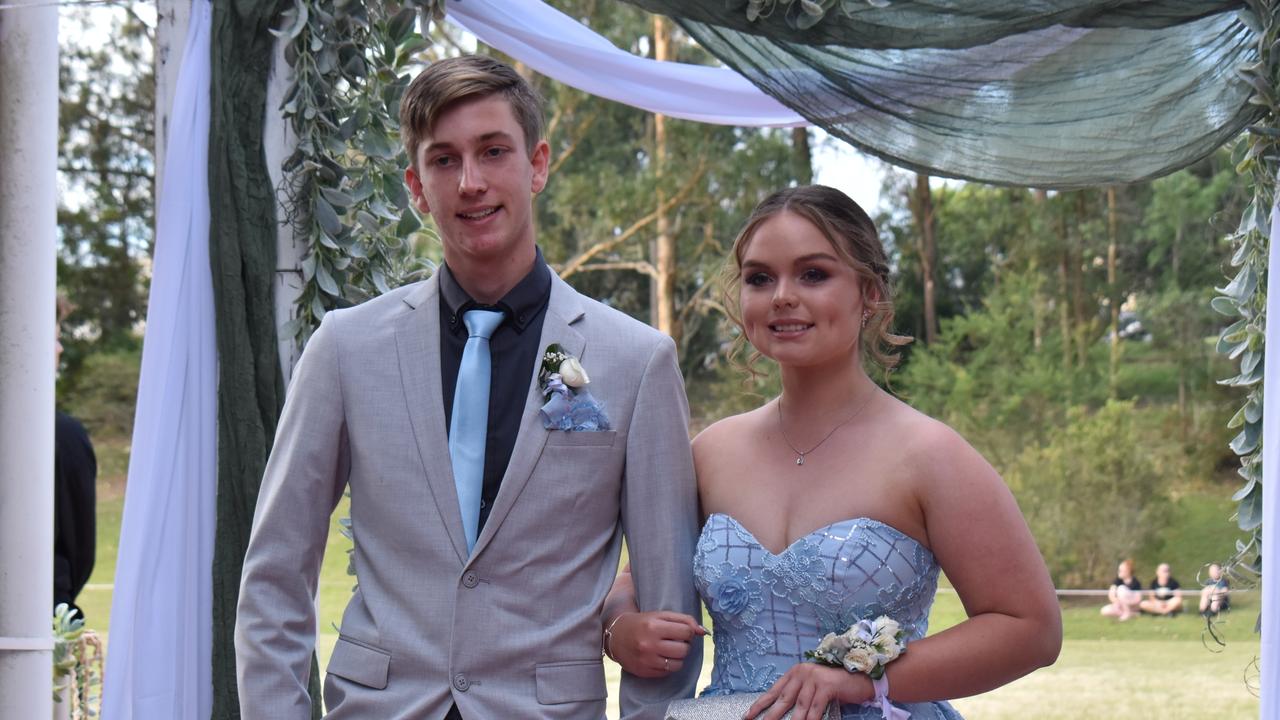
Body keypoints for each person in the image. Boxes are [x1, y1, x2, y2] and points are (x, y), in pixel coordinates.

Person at [235, 55, 701, 719]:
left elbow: (667, 606)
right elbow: (276, 573)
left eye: (492, 152)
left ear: (536, 165)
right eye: (444, 160)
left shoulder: (636, 360)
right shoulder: (346, 348)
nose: (471, 182)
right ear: (416, 187)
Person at [602, 186, 1062, 719]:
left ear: (869, 293)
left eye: (813, 274)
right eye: (759, 278)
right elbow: (635, 582)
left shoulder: (929, 455)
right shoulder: (710, 452)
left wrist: (863, 679)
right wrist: (619, 628)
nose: (782, 296)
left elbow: (1030, 628)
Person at [54, 300, 97, 621]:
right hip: (43, 621)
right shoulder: (61, 436)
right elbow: (79, 550)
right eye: (53, 337)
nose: (59, 350)